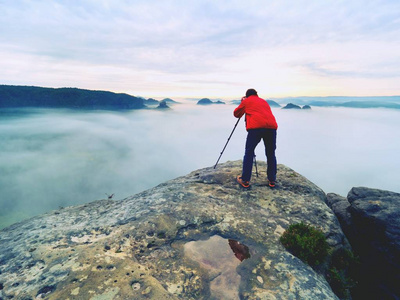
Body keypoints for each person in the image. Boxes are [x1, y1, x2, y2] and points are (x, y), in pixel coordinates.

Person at [234, 89, 278, 188]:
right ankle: (272, 179)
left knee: (249, 152)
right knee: (271, 153)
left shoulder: (246, 101)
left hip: (256, 128)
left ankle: (245, 180)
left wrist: (243, 102)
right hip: (271, 128)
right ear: (256, 94)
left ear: (247, 96)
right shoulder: (263, 101)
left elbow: (236, 114)